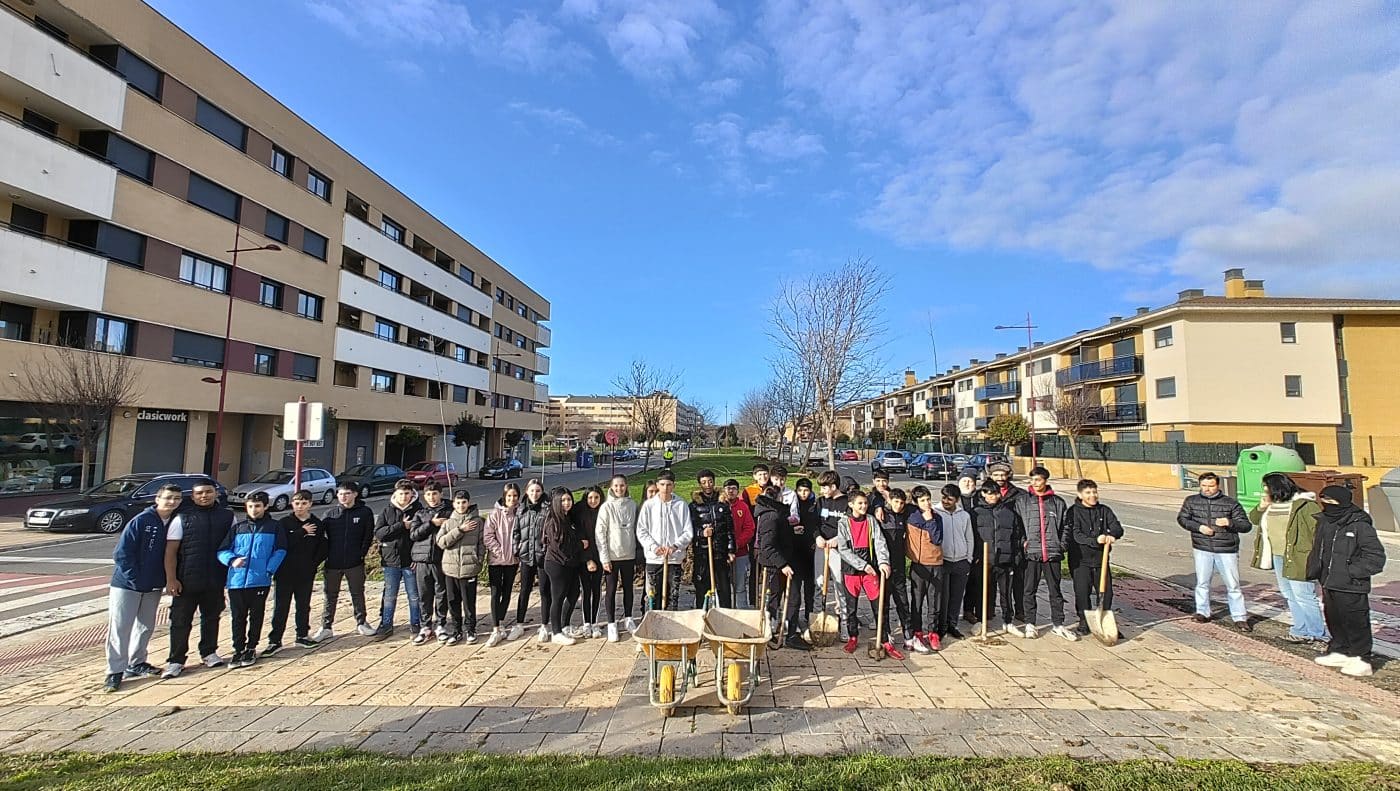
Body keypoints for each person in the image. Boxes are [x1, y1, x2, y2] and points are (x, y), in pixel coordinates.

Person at [105, 483, 182, 692]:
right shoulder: (141, 520)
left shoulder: (175, 521)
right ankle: (114, 671)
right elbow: (122, 554)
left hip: (153, 584)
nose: (172, 502)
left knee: (145, 626)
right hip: (127, 585)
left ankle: (137, 662)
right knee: (120, 627)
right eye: (168, 497)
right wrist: (134, 578)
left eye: (176, 498)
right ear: (158, 499)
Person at [1309, 486, 1387, 677]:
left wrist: (1351, 572)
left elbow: (1375, 557)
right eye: (1323, 501)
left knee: (1355, 622)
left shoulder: (1359, 524)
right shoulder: (1325, 521)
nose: (1326, 505)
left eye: (1331, 501)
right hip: (1328, 581)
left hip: (1352, 585)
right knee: (1334, 619)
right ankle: (1340, 650)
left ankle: (1361, 658)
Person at [161, 478, 232, 678]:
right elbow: (170, 551)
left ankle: (209, 652)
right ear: (193, 496)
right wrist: (171, 579)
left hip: (215, 579)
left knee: (212, 617)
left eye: (208, 492)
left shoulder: (227, 517)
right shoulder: (182, 518)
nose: (204, 496)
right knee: (180, 621)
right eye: (199, 493)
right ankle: (176, 660)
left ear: (215, 493)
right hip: (186, 580)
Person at [1250, 473, 1327, 645]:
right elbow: (1254, 519)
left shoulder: (1304, 504)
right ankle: (1300, 630)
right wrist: (1261, 506)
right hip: (1278, 556)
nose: (1264, 491)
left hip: (1299, 556)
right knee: (1289, 594)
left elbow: (1318, 530)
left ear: (1277, 488)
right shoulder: (1271, 505)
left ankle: (1318, 634)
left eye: (1267, 488)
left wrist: (1315, 555)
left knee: (1304, 595)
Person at [218, 491, 287, 668]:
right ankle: (238, 649)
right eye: (250, 506)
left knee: (256, 616)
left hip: (260, 580)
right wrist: (232, 560)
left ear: (265, 506)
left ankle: (251, 647)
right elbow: (223, 550)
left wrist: (268, 570)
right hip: (236, 581)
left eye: (257, 506)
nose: (254, 510)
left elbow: (280, 550)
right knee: (238, 617)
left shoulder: (274, 527)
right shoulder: (238, 528)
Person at [1178, 472, 1253, 631]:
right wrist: (1199, 527)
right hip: (1202, 547)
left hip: (1226, 549)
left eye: (1211, 486)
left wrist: (1229, 522)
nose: (1207, 489)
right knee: (1202, 582)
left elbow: (1246, 526)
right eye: (1204, 486)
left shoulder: (1230, 503)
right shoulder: (1191, 501)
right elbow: (1183, 519)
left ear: (1218, 485)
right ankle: (1202, 612)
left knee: (1233, 585)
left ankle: (1239, 617)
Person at [1013, 467, 1075, 641]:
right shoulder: (1023, 502)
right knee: (1029, 590)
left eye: (1038, 480)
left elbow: (1066, 526)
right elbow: (1017, 526)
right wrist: (1023, 543)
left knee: (1055, 590)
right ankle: (1030, 623)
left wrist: (1062, 545)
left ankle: (1058, 624)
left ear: (1045, 481)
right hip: (1032, 553)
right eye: (1032, 480)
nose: (1035, 483)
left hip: (1052, 553)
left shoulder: (1057, 502)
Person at [264, 490, 327, 656]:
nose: (300, 507)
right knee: (281, 607)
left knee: (303, 606)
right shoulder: (284, 523)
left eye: (304, 503)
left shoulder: (317, 523)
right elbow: (282, 545)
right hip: (284, 573)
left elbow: (322, 547)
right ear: (292, 504)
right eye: (297, 503)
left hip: (305, 573)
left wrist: (313, 564)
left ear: (310, 504)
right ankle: (275, 640)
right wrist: (301, 532)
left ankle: (302, 635)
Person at [836, 491, 896, 657]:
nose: (864, 506)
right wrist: (862, 565)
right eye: (860, 503)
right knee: (851, 607)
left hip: (871, 569)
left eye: (865, 503)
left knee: (878, 605)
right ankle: (853, 636)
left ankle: (884, 638)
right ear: (851, 505)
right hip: (851, 570)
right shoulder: (843, 523)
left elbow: (880, 542)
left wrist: (883, 562)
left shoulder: (871, 521)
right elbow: (843, 550)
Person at [313, 482, 376, 641]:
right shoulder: (330, 514)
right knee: (330, 595)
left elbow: (368, 536)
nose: (343, 497)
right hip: (333, 563)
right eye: (341, 494)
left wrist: (361, 554)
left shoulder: (365, 512)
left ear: (355, 494)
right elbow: (319, 536)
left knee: (357, 592)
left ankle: (361, 622)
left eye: (347, 493)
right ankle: (326, 627)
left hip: (354, 562)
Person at [754, 483, 810, 649]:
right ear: (777, 498)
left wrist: (792, 532)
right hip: (774, 565)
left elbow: (779, 536)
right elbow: (767, 545)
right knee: (774, 598)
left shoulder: (777, 513)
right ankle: (770, 632)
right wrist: (783, 565)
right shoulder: (770, 516)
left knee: (793, 597)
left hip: (786, 559)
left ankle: (791, 633)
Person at [1066, 479, 1124, 637]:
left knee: (1106, 592)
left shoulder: (1104, 510)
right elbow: (1076, 535)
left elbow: (1117, 528)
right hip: (1080, 560)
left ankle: (1103, 619)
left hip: (1101, 560)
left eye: (1094, 492)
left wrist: (1112, 535)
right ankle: (1084, 622)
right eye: (1088, 492)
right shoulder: (1073, 512)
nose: (1092, 495)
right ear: (1080, 495)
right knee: (1082, 592)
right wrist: (1095, 540)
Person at [974, 482, 1026, 637]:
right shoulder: (975, 513)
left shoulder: (1009, 513)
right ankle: (981, 620)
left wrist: (1015, 556)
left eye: (996, 493)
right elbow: (971, 537)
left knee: (1006, 592)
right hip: (984, 560)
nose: (993, 497)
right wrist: (975, 557)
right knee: (983, 592)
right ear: (983, 494)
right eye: (989, 493)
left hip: (1005, 559)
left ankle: (1008, 621)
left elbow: (1017, 536)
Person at [373, 481, 423, 640]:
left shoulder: (418, 510)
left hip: (410, 561)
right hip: (390, 561)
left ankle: (416, 623)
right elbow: (379, 533)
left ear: (412, 494)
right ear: (395, 494)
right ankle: (386, 624)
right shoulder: (387, 510)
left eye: (407, 493)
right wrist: (401, 526)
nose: (404, 497)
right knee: (389, 595)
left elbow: (422, 536)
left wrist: (417, 557)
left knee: (414, 595)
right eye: (401, 493)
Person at [636, 469, 691, 610]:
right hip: (654, 558)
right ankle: (652, 619)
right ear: (657, 485)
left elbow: (688, 531)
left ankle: (670, 621)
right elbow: (642, 530)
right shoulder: (649, 505)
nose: (665, 488)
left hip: (673, 558)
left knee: (672, 596)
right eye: (662, 484)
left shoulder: (681, 505)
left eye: (669, 485)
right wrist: (654, 547)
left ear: (674, 486)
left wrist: (675, 546)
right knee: (653, 596)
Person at [436, 489, 484, 645]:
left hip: (469, 569)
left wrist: (478, 560)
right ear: (453, 504)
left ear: (468, 503)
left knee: (469, 603)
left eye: (464, 502)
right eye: (458, 502)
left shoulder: (478, 522)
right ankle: (457, 631)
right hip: (451, 569)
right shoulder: (448, 522)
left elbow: (482, 544)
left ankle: (471, 630)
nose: (461, 505)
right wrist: (460, 530)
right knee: (453, 601)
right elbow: (441, 542)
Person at [597, 474, 640, 642]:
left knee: (629, 588)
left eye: (622, 485)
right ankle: (611, 623)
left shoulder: (632, 505)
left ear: (626, 486)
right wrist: (604, 558)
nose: (619, 489)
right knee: (611, 589)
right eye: (616, 486)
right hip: (612, 556)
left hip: (628, 554)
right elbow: (600, 533)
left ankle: (628, 618)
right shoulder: (606, 507)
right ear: (611, 487)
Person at [409, 482, 452, 644]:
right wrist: (431, 524)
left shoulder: (449, 511)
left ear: (441, 494)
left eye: (434, 494)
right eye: (428, 494)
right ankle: (425, 626)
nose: (432, 497)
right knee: (424, 595)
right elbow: (414, 535)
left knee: (441, 594)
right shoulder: (420, 514)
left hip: (441, 559)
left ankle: (441, 625)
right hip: (422, 560)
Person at [482, 483, 522, 647]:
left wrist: (516, 551)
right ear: (504, 496)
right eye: (509, 496)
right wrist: (499, 551)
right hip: (496, 560)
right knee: (495, 592)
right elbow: (488, 536)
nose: (512, 499)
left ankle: (501, 620)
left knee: (507, 592)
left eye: (515, 496)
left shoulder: (520, 512)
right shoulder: (495, 514)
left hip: (513, 560)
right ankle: (496, 628)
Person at [542, 488, 583, 645]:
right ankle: (556, 632)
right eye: (563, 500)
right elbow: (560, 547)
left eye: (569, 499)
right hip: (557, 564)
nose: (567, 503)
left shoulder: (569, 518)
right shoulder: (553, 521)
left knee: (573, 594)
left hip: (570, 564)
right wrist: (580, 545)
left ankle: (564, 625)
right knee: (558, 597)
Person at [689, 469, 735, 609]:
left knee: (724, 589)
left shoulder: (722, 504)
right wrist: (702, 533)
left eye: (710, 481)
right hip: (703, 553)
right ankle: (701, 614)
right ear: (700, 484)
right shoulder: (694, 506)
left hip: (720, 552)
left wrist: (731, 550)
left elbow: (729, 529)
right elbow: (690, 529)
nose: (707, 485)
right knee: (702, 589)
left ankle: (725, 616)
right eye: (704, 482)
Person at [906, 485, 943, 653]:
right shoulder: (911, 516)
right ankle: (918, 632)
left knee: (934, 601)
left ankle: (933, 632)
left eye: (928, 499)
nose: (927, 503)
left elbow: (937, 539)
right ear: (916, 502)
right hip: (918, 564)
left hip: (936, 563)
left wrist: (930, 521)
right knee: (917, 600)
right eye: (922, 500)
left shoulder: (936, 517)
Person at [936, 483, 975, 641]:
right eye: (944, 497)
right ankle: (941, 626)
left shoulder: (964, 516)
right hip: (943, 561)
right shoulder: (935, 513)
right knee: (943, 596)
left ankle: (952, 624)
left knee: (957, 596)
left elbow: (969, 538)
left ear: (957, 500)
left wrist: (968, 558)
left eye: (950, 499)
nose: (946, 501)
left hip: (961, 561)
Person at [877, 487, 913, 652]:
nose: (898, 505)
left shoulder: (905, 514)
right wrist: (878, 505)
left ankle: (908, 633)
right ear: (889, 501)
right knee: (883, 603)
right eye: (896, 502)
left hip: (899, 566)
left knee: (903, 601)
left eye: (901, 502)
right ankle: (885, 633)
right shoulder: (881, 515)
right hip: (883, 566)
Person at [513, 479, 549, 642]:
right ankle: (519, 624)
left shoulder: (547, 509)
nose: (535, 494)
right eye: (532, 490)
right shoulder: (521, 509)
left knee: (544, 591)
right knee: (524, 590)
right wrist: (517, 548)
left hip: (542, 556)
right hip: (526, 556)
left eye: (538, 491)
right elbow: (516, 532)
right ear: (527, 492)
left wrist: (546, 549)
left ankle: (544, 625)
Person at [814, 470, 849, 622]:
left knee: (839, 582)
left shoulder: (847, 502)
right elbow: (813, 523)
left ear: (833, 487)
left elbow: (850, 526)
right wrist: (817, 537)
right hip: (822, 546)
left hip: (838, 548)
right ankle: (818, 614)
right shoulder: (821, 502)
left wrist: (838, 539)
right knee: (819, 582)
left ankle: (844, 617)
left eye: (824, 487)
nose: (822, 491)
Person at [572, 486, 605, 638]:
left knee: (597, 589)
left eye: (596, 497)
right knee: (586, 590)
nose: (593, 501)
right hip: (584, 558)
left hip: (601, 556)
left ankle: (595, 622)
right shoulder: (580, 513)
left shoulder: (603, 512)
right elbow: (581, 538)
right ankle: (586, 623)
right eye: (590, 497)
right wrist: (588, 559)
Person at [792, 477, 821, 626]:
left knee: (810, 585)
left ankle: (810, 614)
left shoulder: (815, 505)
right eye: (800, 490)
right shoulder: (793, 504)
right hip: (796, 549)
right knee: (795, 587)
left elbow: (817, 524)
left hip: (810, 549)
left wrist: (815, 539)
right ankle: (793, 617)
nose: (803, 493)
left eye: (806, 491)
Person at [723, 479, 756, 608]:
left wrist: (737, 544)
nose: (731, 491)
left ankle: (742, 611)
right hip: (722, 553)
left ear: (738, 491)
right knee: (722, 585)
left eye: (734, 488)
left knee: (740, 586)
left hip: (740, 553)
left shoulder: (743, 507)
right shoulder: (719, 506)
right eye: (728, 488)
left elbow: (749, 528)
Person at [957, 474, 983, 624]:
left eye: (970, 481)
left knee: (974, 581)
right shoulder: (954, 497)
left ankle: (969, 610)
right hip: (957, 545)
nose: (967, 484)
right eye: (964, 481)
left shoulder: (980, 499)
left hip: (976, 544)